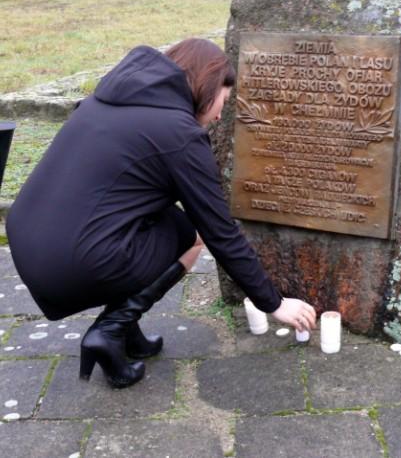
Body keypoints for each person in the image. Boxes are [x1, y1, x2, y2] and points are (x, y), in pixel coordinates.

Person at [6, 39, 316, 389]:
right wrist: (273, 303)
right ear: (208, 88)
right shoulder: (178, 133)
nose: (218, 115)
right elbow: (219, 231)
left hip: (28, 241)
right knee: (192, 237)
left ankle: (124, 330)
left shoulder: (104, 100)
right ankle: (110, 330)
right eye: (223, 103)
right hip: (73, 263)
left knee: (156, 220)